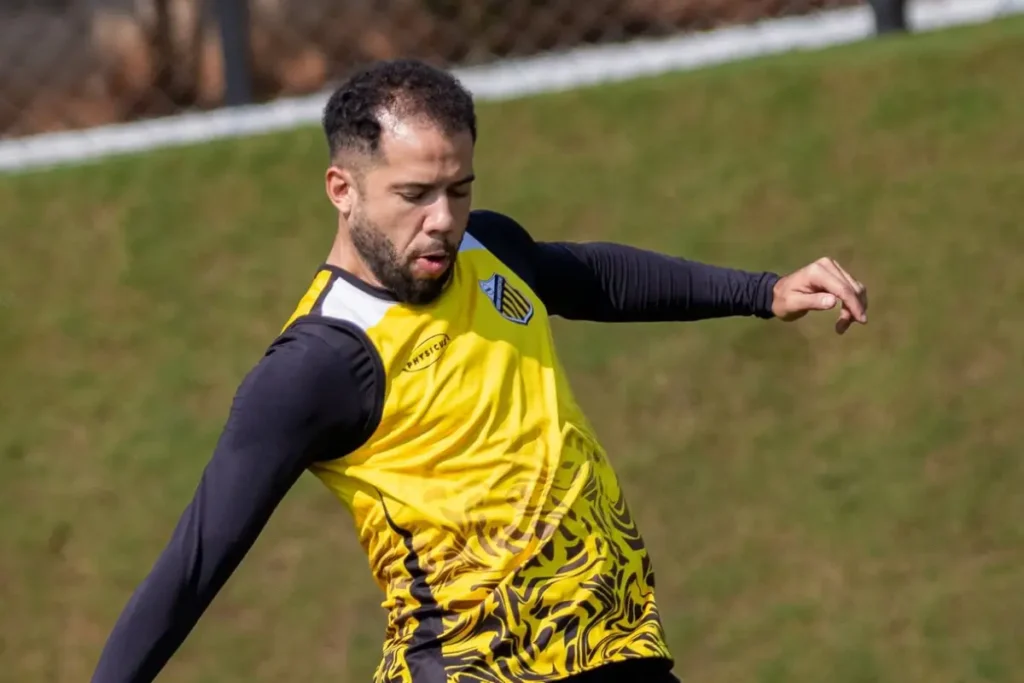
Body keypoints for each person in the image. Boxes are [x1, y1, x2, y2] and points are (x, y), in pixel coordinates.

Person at [90, 59, 868, 683]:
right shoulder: (318, 365)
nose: (442, 218)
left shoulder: (485, 251)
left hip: (616, 646)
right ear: (342, 189)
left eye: (459, 189)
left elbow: (591, 277)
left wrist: (762, 292)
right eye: (414, 194)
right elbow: (192, 563)